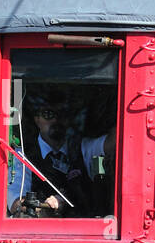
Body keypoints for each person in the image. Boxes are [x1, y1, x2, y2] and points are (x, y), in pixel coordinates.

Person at [7, 89, 115, 217]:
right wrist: (44, 207)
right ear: (37, 119)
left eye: (63, 114)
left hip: (83, 227)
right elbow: (15, 202)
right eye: (48, 114)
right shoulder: (23, 155)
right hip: (39, 231)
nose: (56, 120)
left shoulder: (81, 147)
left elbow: (111, 143)